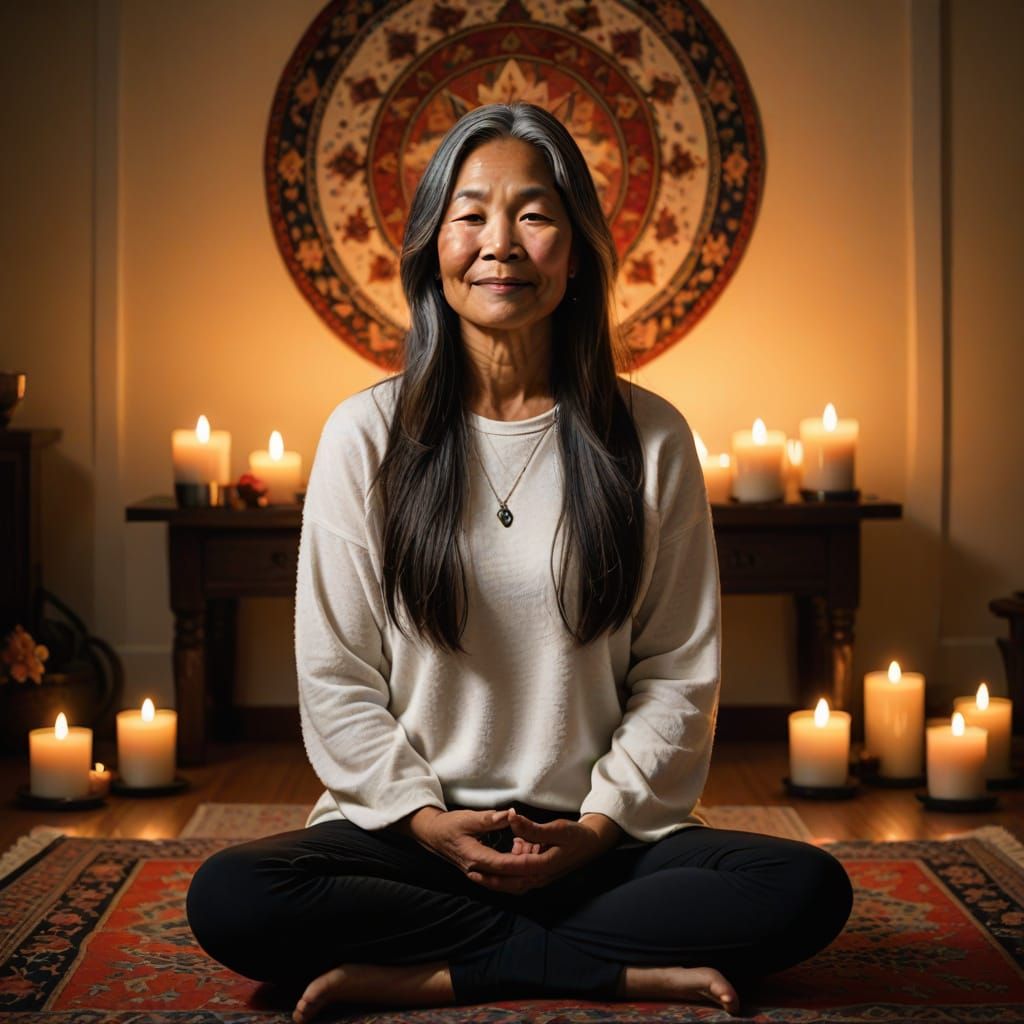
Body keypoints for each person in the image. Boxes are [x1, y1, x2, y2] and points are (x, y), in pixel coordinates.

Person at [186, 102, 853, 1023]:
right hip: (410, 838)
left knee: (806, 887)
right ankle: (601, 964)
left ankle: (433, 970)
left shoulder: (650, 437)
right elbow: (337, 681)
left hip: (594, 843)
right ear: (431, 248)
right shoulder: (365, 436)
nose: (500, 244)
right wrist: (428, 823)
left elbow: (676, 677)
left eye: (535, 216)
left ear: (576, 252)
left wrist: (591, 830)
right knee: (231, 897)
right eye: (470, 216)